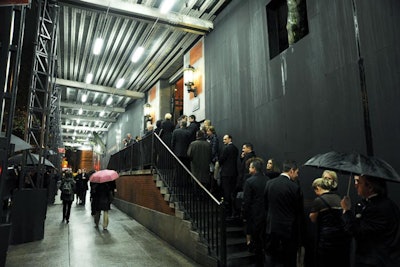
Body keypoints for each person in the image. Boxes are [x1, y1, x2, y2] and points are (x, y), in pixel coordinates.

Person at [341, 175, 400, 267]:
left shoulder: (377, 208)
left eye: (358, 182)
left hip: (374, 262)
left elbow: (357, 232)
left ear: (370, 187)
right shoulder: (386, 204)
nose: (355, 185)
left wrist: (346, 211)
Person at [264, 160, 304, 267]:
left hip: (271, 227)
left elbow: (266, 205)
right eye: (297, 172)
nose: (297, 175)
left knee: (270, 257)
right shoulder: (294, 187)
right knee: (289, 259)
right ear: (291, 171)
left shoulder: (269, 183)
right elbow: (299, 211)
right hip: (289, 230)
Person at [309, 177, 351, 267]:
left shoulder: (319, 201)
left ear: (318, 188)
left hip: (326, 239)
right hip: (340, 238)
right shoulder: (338, 198)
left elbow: (313, 219)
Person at [242, 158, 269, 267]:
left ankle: (259, 262)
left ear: (253, 168)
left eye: (250, 167)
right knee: (264, 239)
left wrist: (244, 214)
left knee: (256, 239)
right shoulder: (267, 179)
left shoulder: (249, 181)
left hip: (254, 215)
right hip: (266, 214)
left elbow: (246, 201)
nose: (249, 169)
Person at [218, 134, 239, 218]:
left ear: (230, 139)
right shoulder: (236, 149)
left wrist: (219, 163)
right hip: (234, 173)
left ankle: (228, 211)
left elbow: (221, 160)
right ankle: (234, 212)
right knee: (232, 193)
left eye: (225, 139)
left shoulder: (226, 149)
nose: (223, 141)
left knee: (226, 192)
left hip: (226, 173)